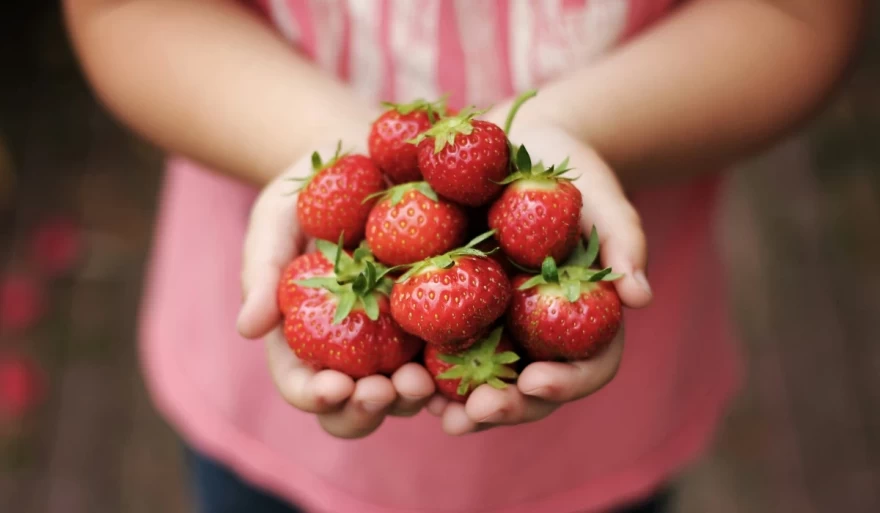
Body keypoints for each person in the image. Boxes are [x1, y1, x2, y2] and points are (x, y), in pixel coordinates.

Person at [63, 1, 863, 512]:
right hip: (268, 425)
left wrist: (579, 127)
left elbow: (800, 17)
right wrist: (322, 138)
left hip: (603, 435)